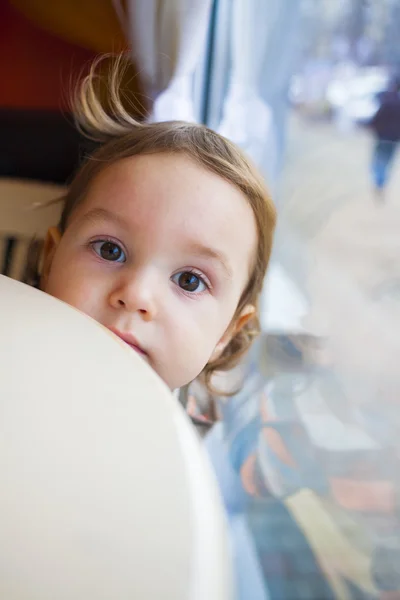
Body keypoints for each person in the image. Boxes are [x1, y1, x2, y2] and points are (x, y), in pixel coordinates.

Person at [37, 55, 276, 395]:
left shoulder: (178, 446)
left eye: (190, 281)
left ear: (227, 333)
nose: (136, 295)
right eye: (110, 250)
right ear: (50, 259)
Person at [369, 76, 400, 201]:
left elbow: (377, 119)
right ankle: (381, 183)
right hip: (394, 139)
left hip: (382, 137)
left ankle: (379, 183)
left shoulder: (386, 101)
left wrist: (373, 128)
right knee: (387, 162)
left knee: (378, 161)